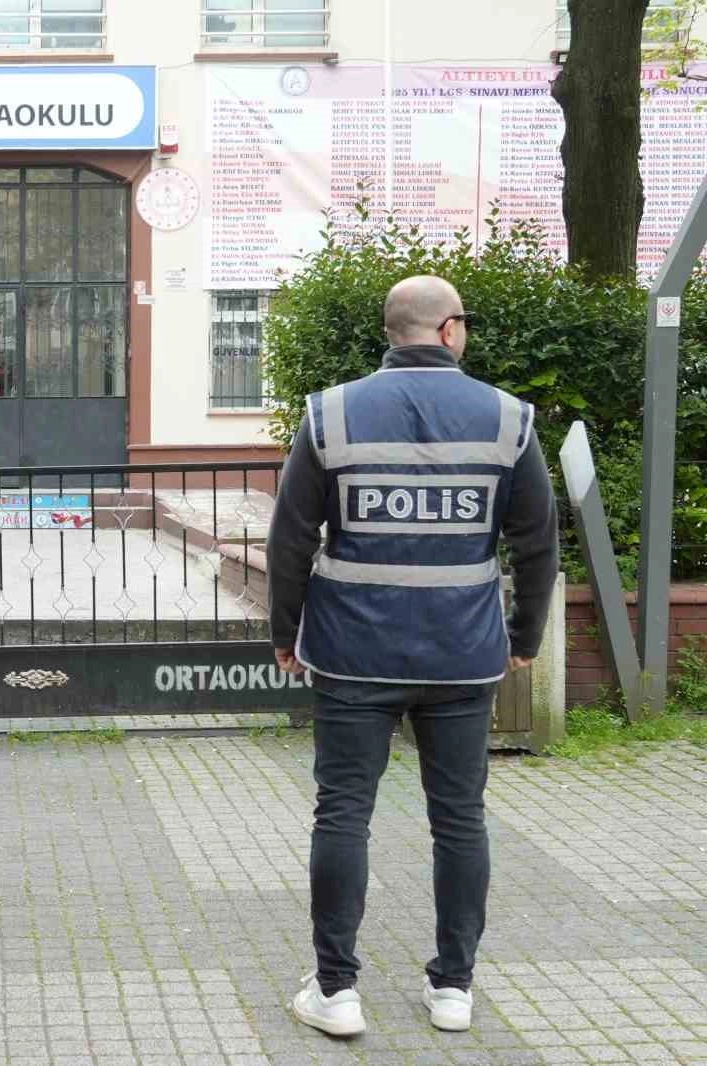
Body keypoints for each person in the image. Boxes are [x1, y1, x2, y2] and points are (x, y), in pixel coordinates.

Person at [266, 275, 558, 1038]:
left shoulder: (330, 414)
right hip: (462, 655)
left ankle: (336, 992)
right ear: (450, 329)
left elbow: (290, 536)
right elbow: (536, 541)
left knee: (343, 813)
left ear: (392, 332)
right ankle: (453, 988)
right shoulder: (508, 417)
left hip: (352, 652)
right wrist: (524, 636)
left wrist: (285, 633)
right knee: (459, 820)